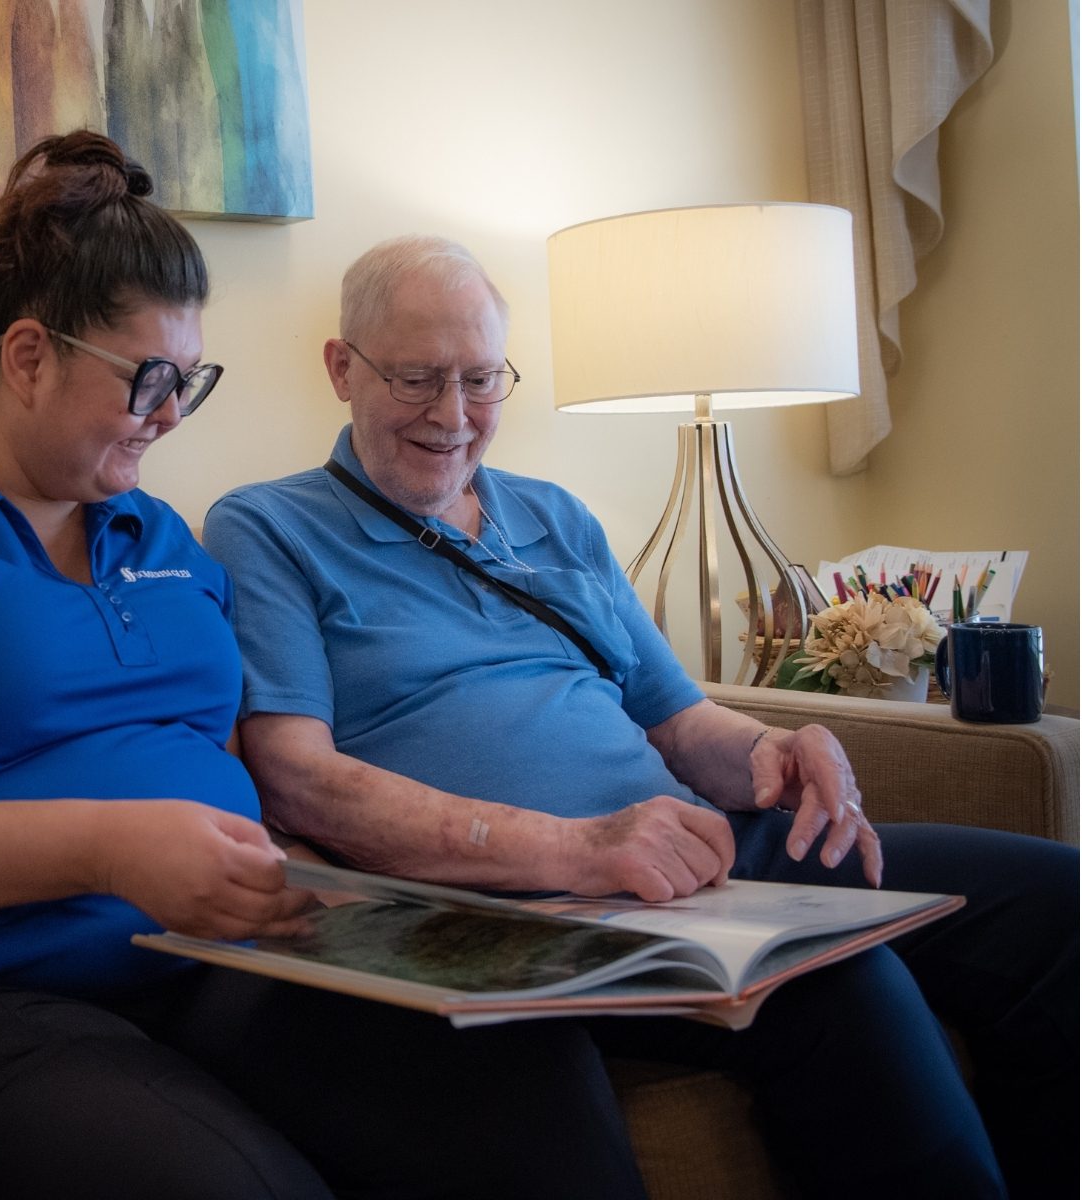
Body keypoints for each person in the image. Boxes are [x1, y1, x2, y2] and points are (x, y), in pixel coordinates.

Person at [0, 136, 671, 1200]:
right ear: (27, 355)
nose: (171, 415)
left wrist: (339, 889)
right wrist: (109, 847)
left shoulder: (160, 536)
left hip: (217, 960)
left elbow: (223, 774)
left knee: (526, 1077)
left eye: (189, 382)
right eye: (150, 381)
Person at [204, 234, 1079, 1200]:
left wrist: (781, 748)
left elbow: (681, 723)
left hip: (710, 856)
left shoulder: (558, 517)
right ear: (342, 368)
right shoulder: (268, 527)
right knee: (840, 980)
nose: (453, 416)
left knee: (1060, 905)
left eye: (482, 380)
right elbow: (297, 778)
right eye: (415, 379)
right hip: (539, 900)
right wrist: (579, 849)